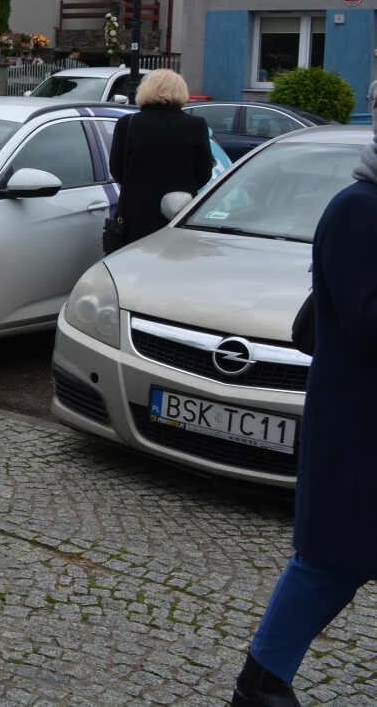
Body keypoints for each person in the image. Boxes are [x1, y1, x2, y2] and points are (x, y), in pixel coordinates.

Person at [227, 110, 377, 707]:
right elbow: (368, 319)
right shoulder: (359, 208)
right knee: (330, 561)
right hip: (359, 424)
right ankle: (261, 680)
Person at [108, 69, 212, 246]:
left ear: (145, 89)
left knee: (133, 258)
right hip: (177, 212)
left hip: (135, 212)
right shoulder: (196, 125)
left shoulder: (128, 123)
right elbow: (204, 173)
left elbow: (117, 170)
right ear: (181, 91)